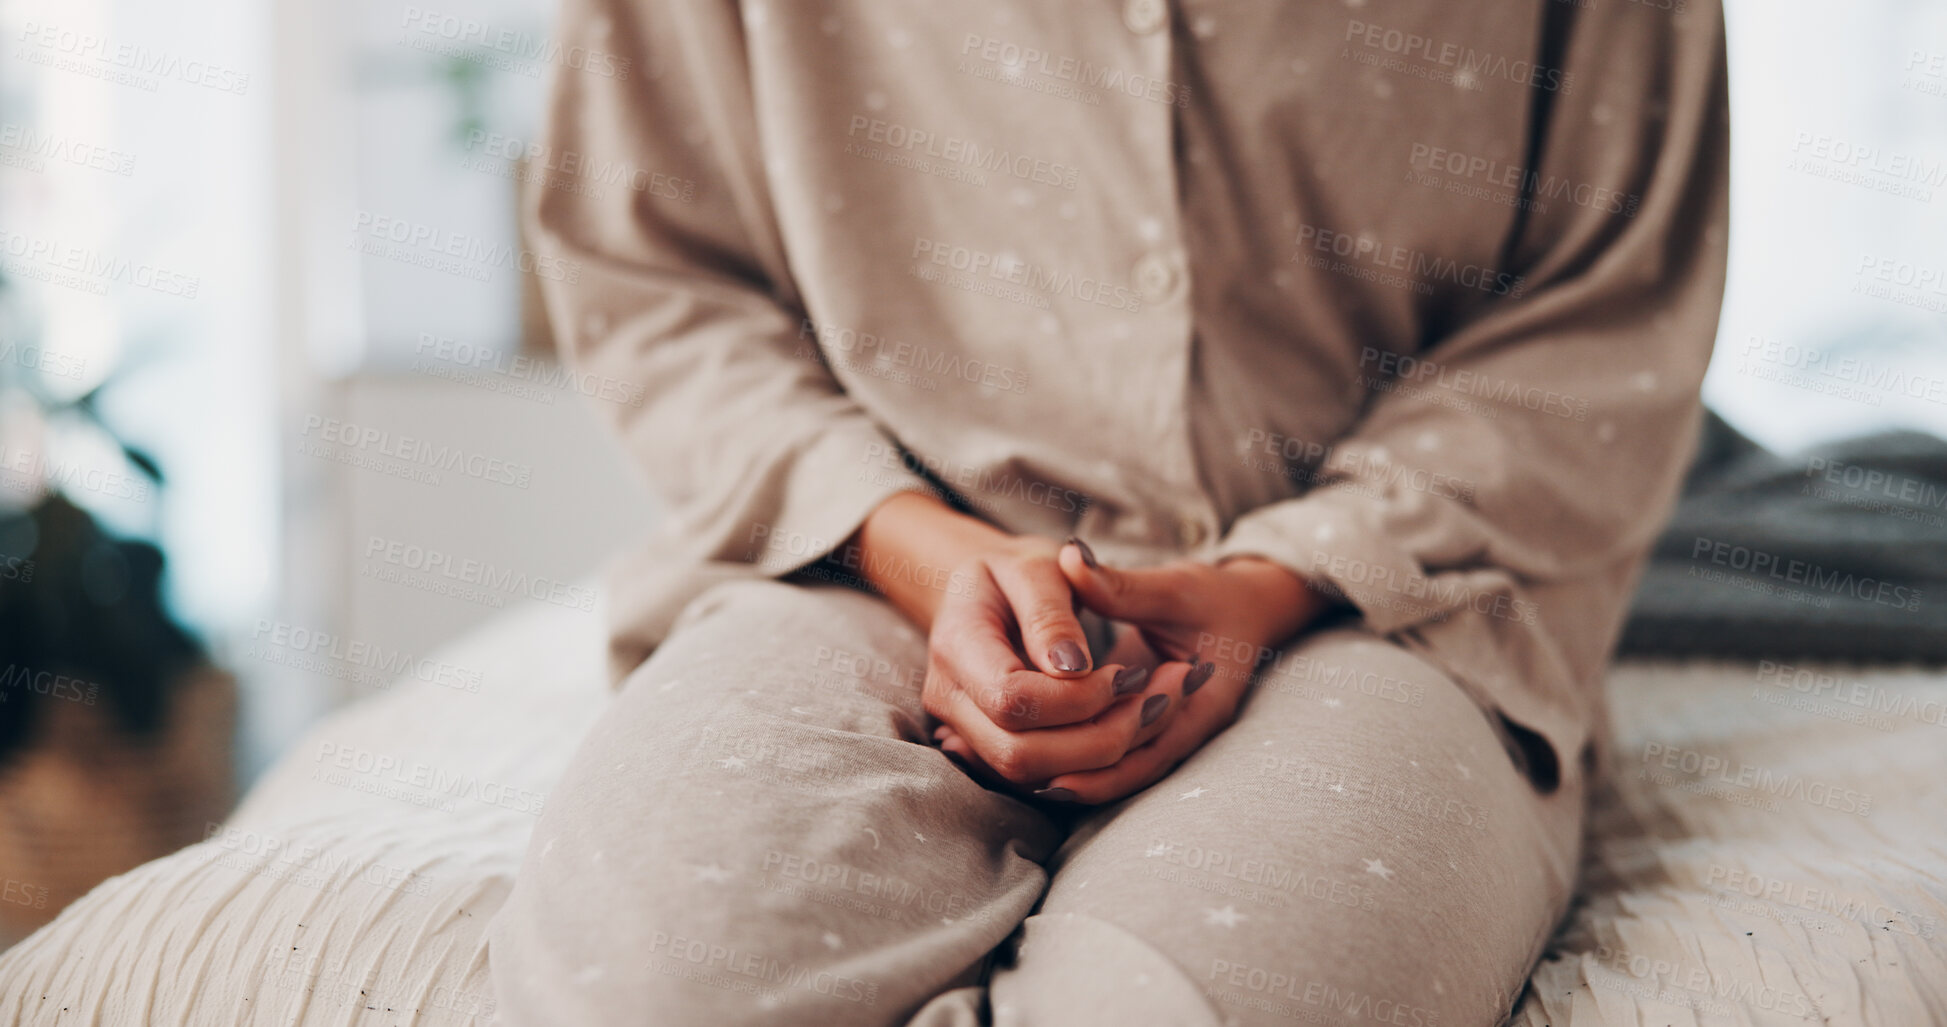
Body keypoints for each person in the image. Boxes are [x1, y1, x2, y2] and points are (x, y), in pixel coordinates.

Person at [486, 1, 1729, 1023]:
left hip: (1383, 605)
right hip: (855, 567)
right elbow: (663, 281)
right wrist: (923, 552)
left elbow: (1605, 306)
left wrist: (1276, 579)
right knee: (642, 991)